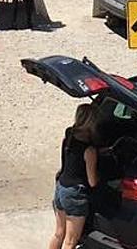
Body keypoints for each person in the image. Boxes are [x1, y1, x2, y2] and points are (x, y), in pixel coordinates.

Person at [48, 103, 99, 249]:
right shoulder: (89, 150)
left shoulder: (69, 134)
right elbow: (92, 181)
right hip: (75, 193)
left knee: (59, 233)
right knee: (70, 241)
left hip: (61, 186)